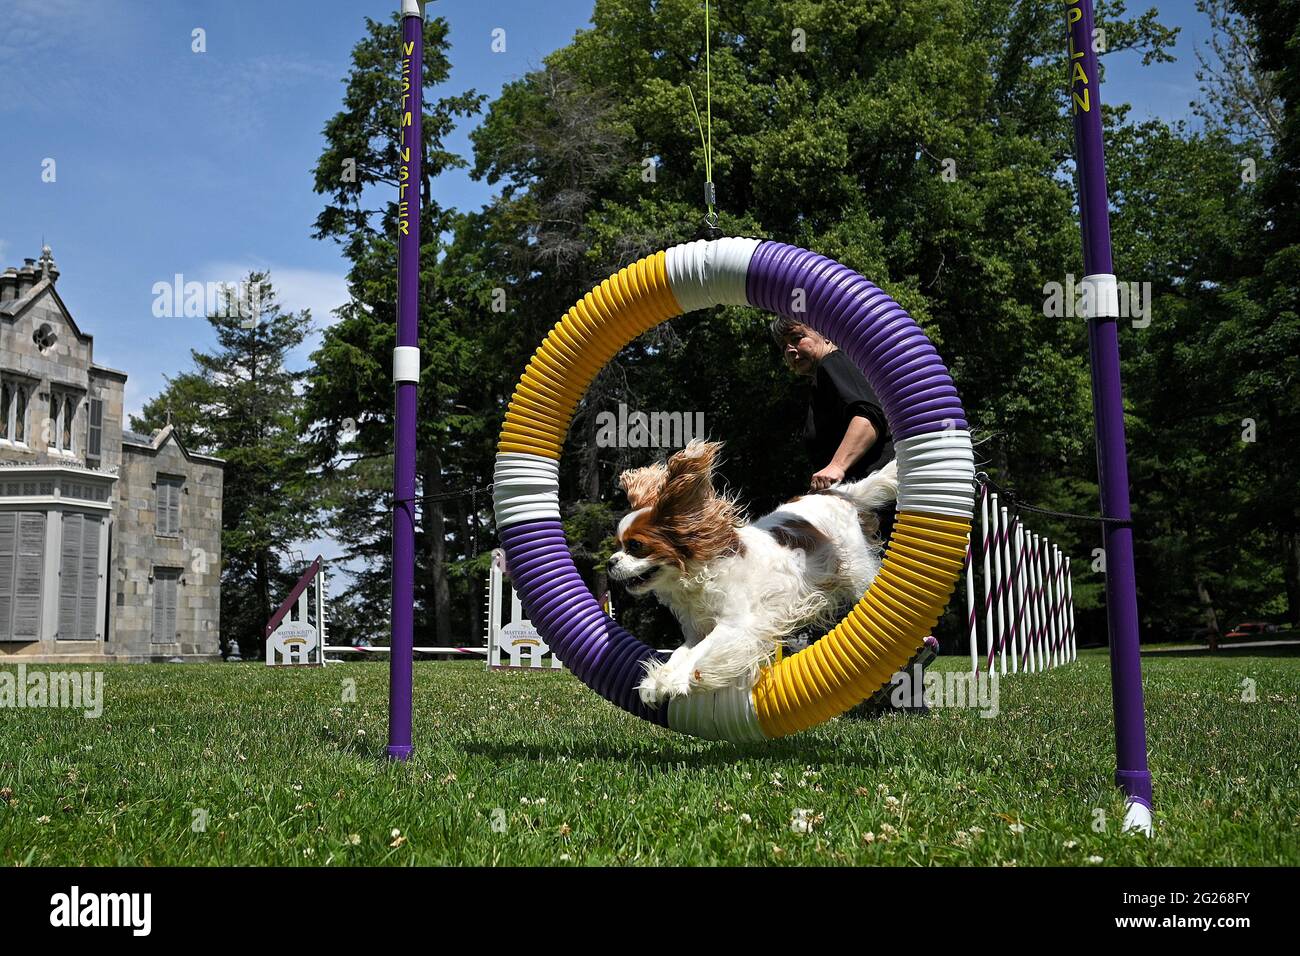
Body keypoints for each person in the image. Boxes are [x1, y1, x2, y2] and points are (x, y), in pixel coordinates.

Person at [770, 315, 896, 541]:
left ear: (826, 335)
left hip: (876, 501)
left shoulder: (833, 362)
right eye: (784, 346)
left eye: (798, 338)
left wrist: (836, 466)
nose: (790, 350)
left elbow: (868, 416)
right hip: (866, 502)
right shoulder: (825, 376)